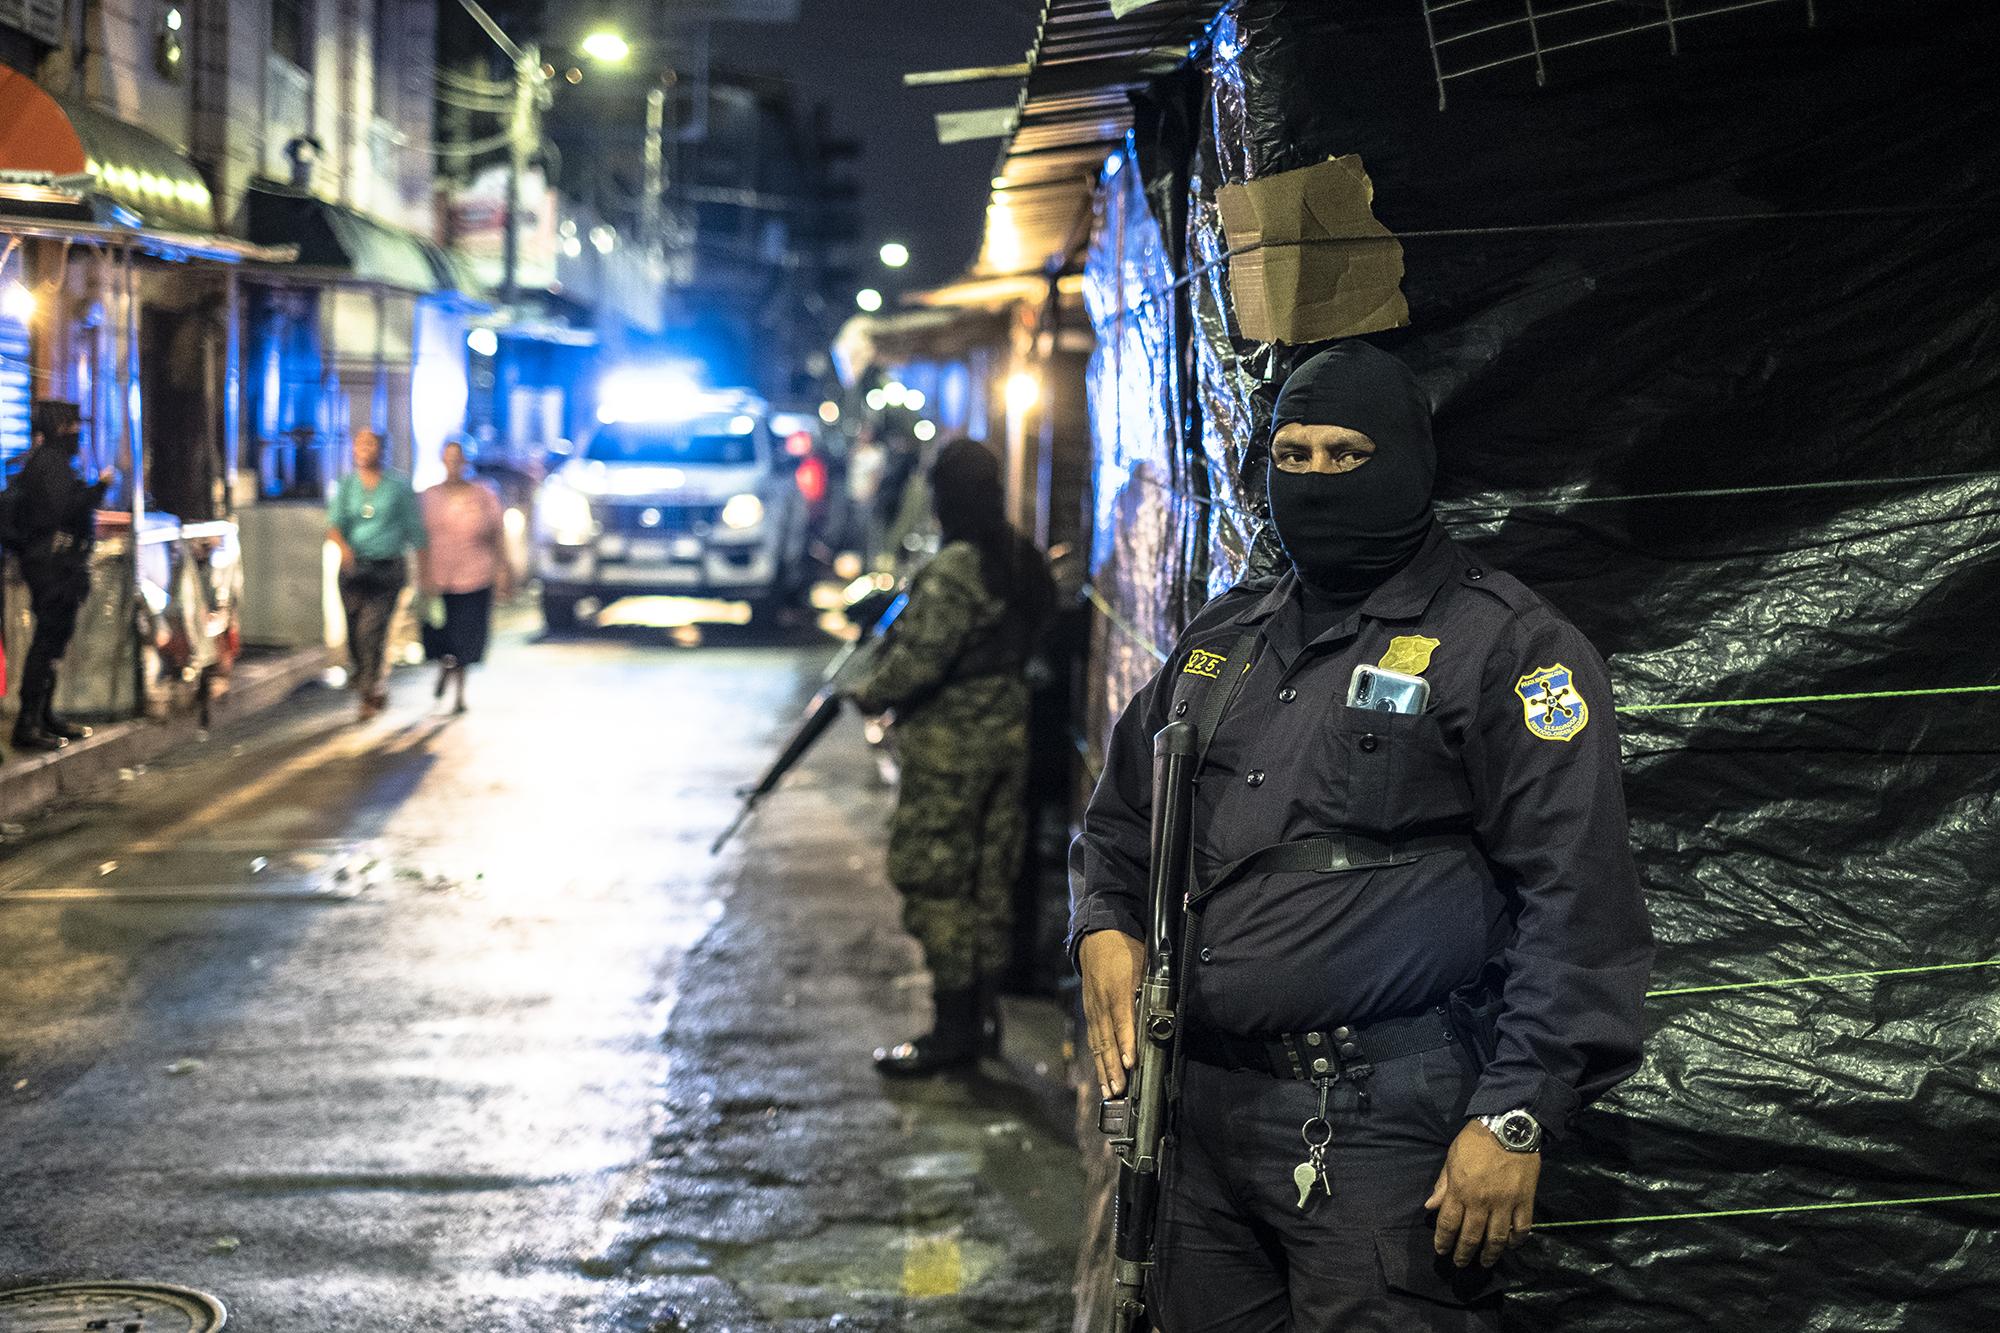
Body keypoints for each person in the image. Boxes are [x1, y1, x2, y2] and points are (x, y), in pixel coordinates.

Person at [1069, 342, 1654, 1330]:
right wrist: (1102, 921)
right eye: (1289, 454)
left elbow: (1577, 894)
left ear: (1408, 464)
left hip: (1382, 1125)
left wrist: (1513, 1113)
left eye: (1343, 453)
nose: (1312, 477)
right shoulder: (1223, 642)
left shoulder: (1503, 646)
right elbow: (1121, 820)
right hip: (1198, 1115)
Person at [847, 438, 1056, 1076]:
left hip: (950, 748)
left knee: (936, 878)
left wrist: (867, 692)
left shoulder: (955, 568)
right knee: (989, 879)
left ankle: (952, 1029)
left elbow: (916, 663)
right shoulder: (1020, 557)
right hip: (1009, 737)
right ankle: (982, 1017)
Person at [9, 401, 111, 753]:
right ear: (56, 428)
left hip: (56, 566)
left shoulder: (49, 462)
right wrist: (98, 489)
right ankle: (28, 722)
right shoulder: (49, 464)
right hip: (51, 568)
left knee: (52, 643)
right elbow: (63, 509)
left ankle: (43, 716)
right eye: (69, 426)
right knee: (46, 643)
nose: (75, 433)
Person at [327, 429, 424, 720]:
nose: (364, 449)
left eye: (370, 444)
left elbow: (415, 530)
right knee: (355, 631)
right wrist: (344, 549)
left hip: (386, 568)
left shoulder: (398, 487)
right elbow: (333, 524)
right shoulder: (347, 486)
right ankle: (368, 678)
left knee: (373, 629)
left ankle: (371, 689)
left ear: (382, 449)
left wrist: (426, 573)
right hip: (354, 569)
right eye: (359, 444)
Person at [418, 439, 510, 713]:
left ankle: (459, 693)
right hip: (439, 577)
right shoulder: (428, 497)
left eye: (458, 458)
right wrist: (423, 575)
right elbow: (420, 540)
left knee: (466, 639)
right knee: (440, 636)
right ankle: (445, 670)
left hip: (475, 577)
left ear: (466, 461)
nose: (454, 464)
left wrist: (504, 569)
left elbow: (497, 534)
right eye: (449, 458)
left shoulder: (484, 494)